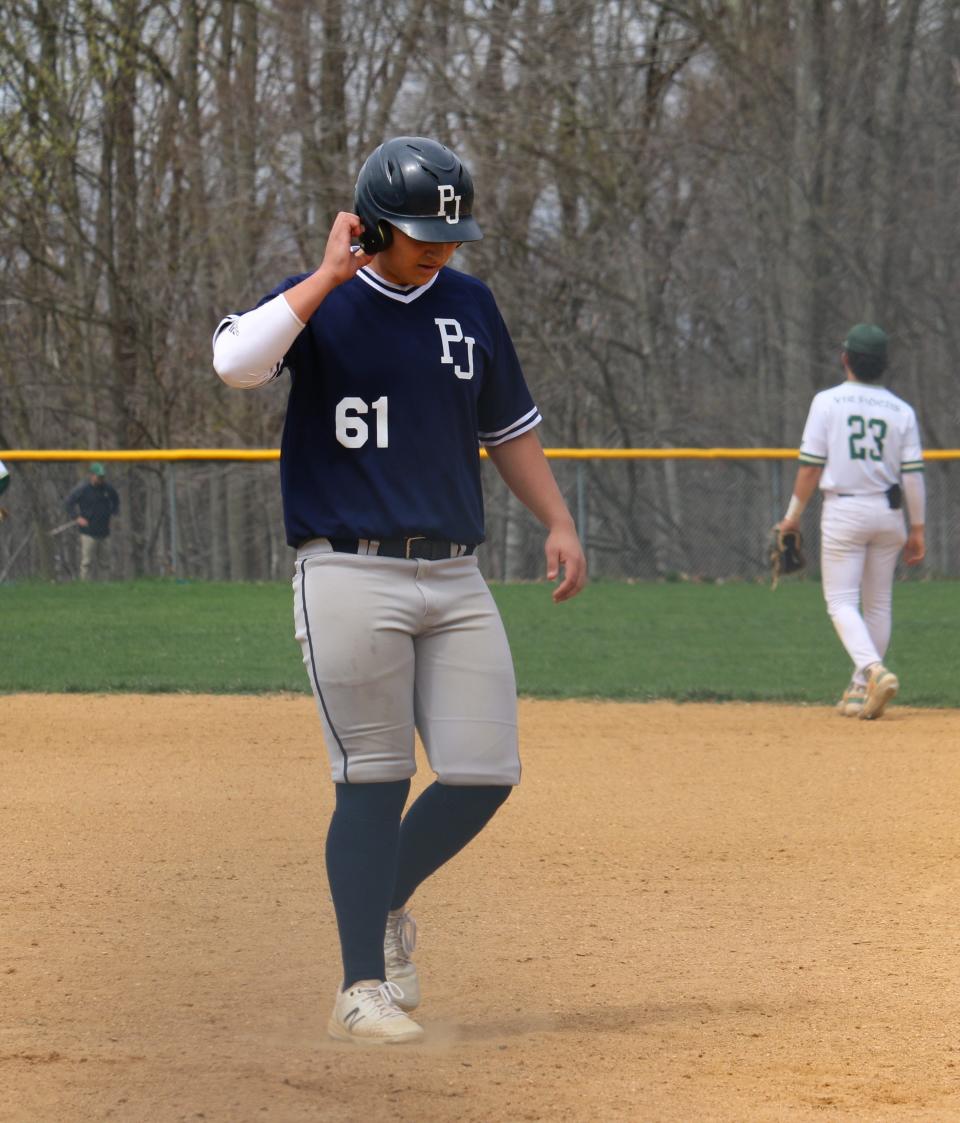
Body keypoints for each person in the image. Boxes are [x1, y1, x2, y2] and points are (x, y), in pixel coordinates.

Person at [212, 136, 587, 1044]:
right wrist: (324, 277)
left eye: (452, 233)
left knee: (484, 771)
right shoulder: (322, 304)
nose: (440, 248)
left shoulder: (469, 305)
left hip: (455, 573)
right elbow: (235, 363)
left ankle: (386, 900)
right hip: (346, 568)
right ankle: (359, 987)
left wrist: (558, 519)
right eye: (422, 232)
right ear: (371, 223)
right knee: (373, 780)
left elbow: (510, 429)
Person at [778, 323, 925, 720]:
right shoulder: (902, 410)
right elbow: (912, 475)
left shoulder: (827, 402)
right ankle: (860, 691)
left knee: (841, 601)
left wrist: (792, 517)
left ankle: (874, 671)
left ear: (846, 359)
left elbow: (810, 468)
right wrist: (917, 529)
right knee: (878, 604)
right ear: (883, 365)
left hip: (845, 510)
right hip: (889, 513)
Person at [64, 462, 120, 581]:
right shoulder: (83, 489)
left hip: (104, 531)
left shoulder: (108, 489)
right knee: (87, 562)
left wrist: (113, 513)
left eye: (102, 477)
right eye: (99, 476)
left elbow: (116, 500)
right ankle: (85, 586)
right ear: (92, 475)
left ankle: (105, 585)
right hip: (88, 531)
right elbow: (68, 503)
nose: (101, 479)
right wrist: (77, 517)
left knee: (105, 563)